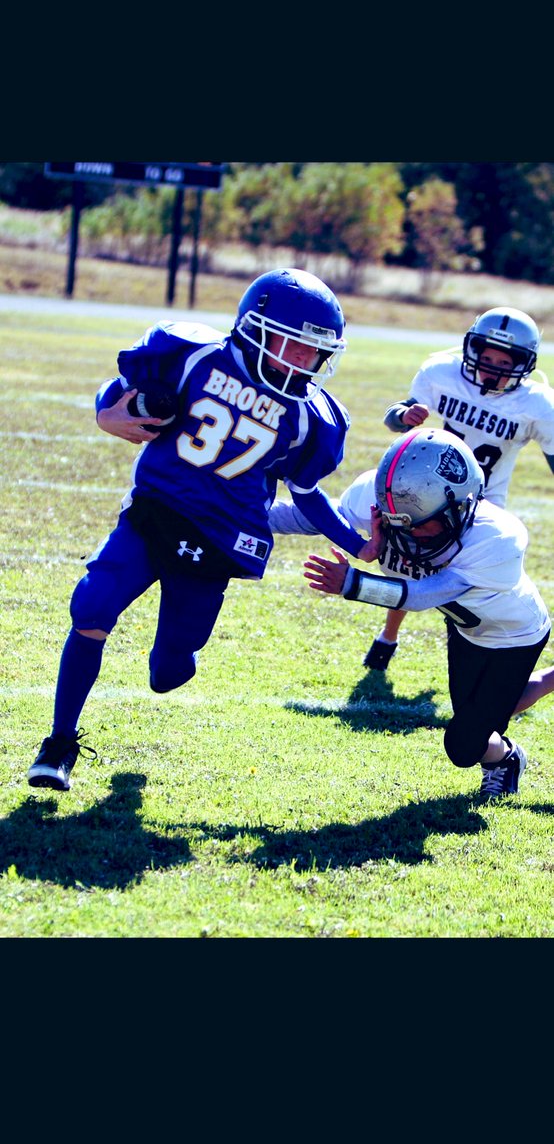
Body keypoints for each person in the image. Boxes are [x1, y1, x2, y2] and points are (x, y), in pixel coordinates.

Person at [28, 268, 377, 792]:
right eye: (297, 347)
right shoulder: (192, 352)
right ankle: (58, 745)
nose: (308, 362)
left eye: (316, 352)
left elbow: (305, 493)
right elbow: (122, 390)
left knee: (168, 672)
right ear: (256, 328)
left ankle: (174, 656)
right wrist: (106, 414)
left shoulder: (312, 418)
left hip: (221, 540)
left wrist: (356, 542)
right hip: (156, 510)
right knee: (92, 607)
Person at [303, 427, 551, 801]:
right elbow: (310, 518)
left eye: (422, 520)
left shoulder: (496, 537)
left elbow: (419, 596)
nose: (411, 529)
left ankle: (505, 758)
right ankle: (503, 745)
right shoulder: (379, 498)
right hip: (466, 631)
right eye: (400, 519)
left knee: (464, 745)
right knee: (488, 712)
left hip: (516, 635)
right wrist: (234, 516)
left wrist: (352, 584)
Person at [362, 306, 554, 671]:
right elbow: (395, 415)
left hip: (483, 506)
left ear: (523, 364)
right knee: (406, 560)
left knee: (467, 587)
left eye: (504, 360)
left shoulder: (537, 404)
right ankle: (388, 636)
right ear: (472, 350)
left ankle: (467, 659)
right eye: (487, 357)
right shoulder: (443, 373)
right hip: (429, 494)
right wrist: (404, 416)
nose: (493, 366)